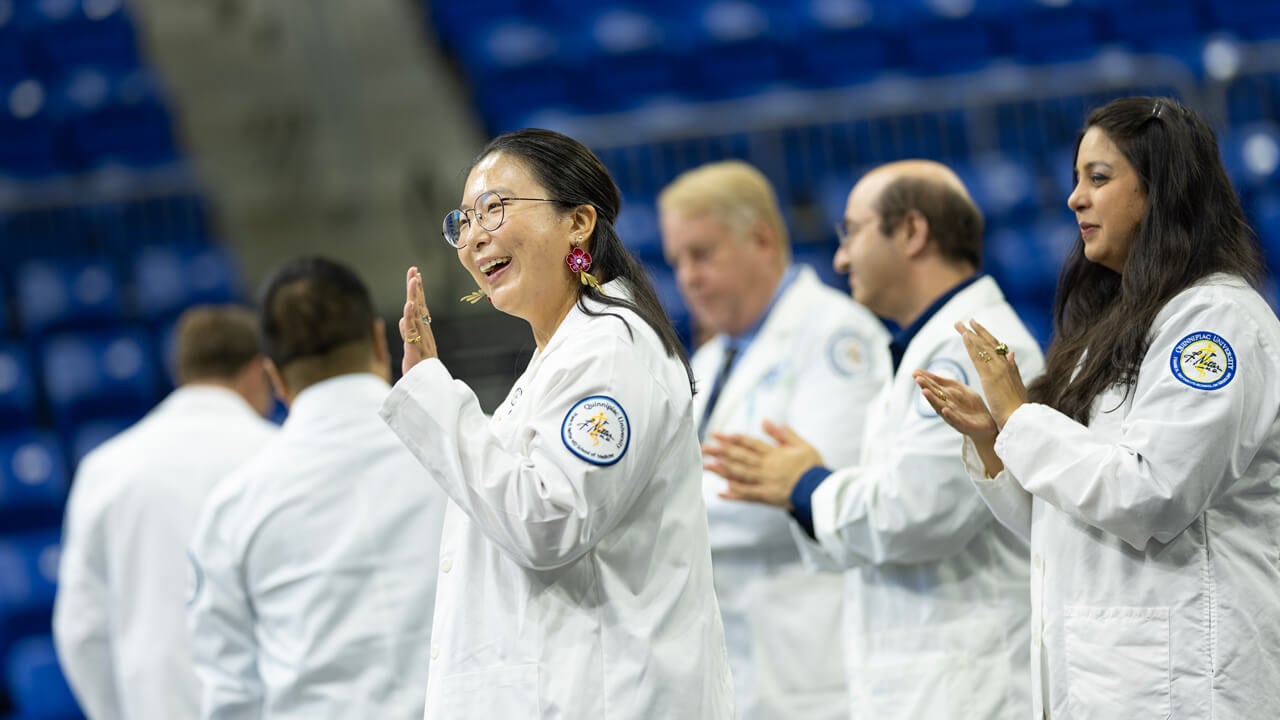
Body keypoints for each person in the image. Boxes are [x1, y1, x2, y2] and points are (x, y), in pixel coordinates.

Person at [916, 96, 1280, 718]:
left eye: (1099, 178)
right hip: (1111, 677)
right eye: (1076, 179)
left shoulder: (1215, 326)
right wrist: (995, 441)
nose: (1074, 199)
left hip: (1189, 679)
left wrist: (1020, 417)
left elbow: (1153, 493)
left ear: (1162, 190)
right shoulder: (1112, 328)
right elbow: (1065, 521)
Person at [379, 128, 736, 719]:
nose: (473, 238)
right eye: (462, 222)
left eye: (493, 208)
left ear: (578, 223)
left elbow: (546, 520)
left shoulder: (611, 348)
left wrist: (434, 395)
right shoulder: (565, 355)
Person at [705, 160, 1042, 718]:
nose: (839, 258)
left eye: (852, 232)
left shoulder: (974, 349)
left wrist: (806, 485)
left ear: (912, 232)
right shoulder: (928, 347)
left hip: (971, 686)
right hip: (932, 680)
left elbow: (915, 512)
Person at [658, 160, 889, 719]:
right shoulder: (707, 363)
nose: (686, 277)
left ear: (761, 239)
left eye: (702, 254)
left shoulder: (837, 338)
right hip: (734, 667)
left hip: (815, 664)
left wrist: (655, 525)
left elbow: (815, 495)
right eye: (677, 261)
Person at [186, 257, 448, 719]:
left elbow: (232, 696)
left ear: (273, 375)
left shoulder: (234, 508)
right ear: (377, 340)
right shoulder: (469, 448)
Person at [54, 305, 277, 720]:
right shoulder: (280, 455)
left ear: (181, 374)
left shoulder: (105, 468)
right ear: (257, 372)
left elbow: (81, 629)